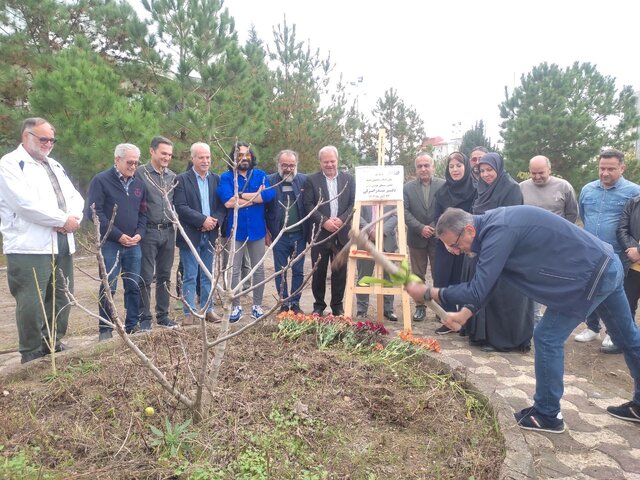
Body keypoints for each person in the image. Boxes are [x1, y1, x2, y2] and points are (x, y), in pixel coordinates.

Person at [406, 205, 640, 433]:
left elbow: (477, 289)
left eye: (455, 245)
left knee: (547, 337)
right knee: (627, 336)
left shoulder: (499, 232)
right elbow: (487, 283)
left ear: (469, 230)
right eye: (449, 248)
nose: (455, 252)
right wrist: (465, 313)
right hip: (606, 264)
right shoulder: (491, 229)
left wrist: (429, 292)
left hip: (590, 276)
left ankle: (547, 414)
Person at [0, 117, 84, 363]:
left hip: (61, 241)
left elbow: (75, 196)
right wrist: (61, 220)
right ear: (26, 137)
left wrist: (74, 218)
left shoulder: (55, 165)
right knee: (32, 299)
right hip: (29, 246)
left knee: (61, 295)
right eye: (43, 139)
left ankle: (53, 341)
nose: (49, 144)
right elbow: (24, 204)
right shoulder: (10, 164)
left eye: (52, 140)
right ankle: (32, 350)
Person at [465, 152, 534, 352]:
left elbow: (510, 221)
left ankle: (503, 339)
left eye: (490, 170)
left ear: (499, 168)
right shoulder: (481, 188)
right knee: (484, 288)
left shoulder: (510, 188)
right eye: (482, 171)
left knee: (502, 294)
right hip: (482, 245)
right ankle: (482, 335)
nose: (486, 175)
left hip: (504, 247)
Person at [575, 149, 640, 353]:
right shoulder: (588, 189)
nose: (605, 173)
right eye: (602, 168)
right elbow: (583, 215)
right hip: (592, 252)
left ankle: (614, 332)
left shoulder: (633, 191)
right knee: (590, 289)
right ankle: (592, 327)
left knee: (617, 294)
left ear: (622, 168)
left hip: (619, 254)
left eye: (611, 169)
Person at [87, 144, 147, 341]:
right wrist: (117, 235)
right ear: (117, 159)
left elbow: (143, 213)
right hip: (110, 243)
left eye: (136, 163)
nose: (133, 166)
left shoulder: (139, 184)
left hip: (134, 244)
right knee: (108, 285)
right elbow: (94, 212)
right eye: (130, 162)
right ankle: (106, 329)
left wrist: (139, 233)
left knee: (133, 285)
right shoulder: (101, 180)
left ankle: (132, 325)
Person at [217, 142, 275, 322]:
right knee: (233, 270)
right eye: (239, 155)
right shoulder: (226, 177)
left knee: (257, 269)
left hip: (257, 229)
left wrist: (240, 196)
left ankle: (257, 305)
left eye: (246, 155)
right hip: (235, 230)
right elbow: (228, 202)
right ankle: (236, 306)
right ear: (233, 158)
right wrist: (254, 198)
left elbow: (267, 196)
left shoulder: (261, 175)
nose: (243, 158)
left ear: (251, 157)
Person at [520, 155, 578, 324]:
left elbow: (572, 214)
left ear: (550, 170)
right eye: (533, 173)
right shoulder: (521, 188)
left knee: (555, 285)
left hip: (556, 246)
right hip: (530, 246)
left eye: (541, 173)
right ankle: (535, 320)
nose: (537, 177)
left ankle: (554, 320)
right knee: (533, 284)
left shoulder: (564, 186)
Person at [173, 142, 226, 325]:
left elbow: (222, 206)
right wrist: (202, 220)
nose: (205, 161)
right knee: (190, 274)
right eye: (201, 157)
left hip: (210, 235)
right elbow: (181, 207)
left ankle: (208, 309)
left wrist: (214, 221)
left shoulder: (216, 179)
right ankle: (189, 313)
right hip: (191, 234)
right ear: (193, 158)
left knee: (207, 275)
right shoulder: (181, 179)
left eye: (208, 157)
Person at [303, 145, 356, 316]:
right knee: (318, 270)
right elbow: (308, 205)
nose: (329, 165)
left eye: (332, 161)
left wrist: (342, 219)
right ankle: (318, 306)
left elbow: (353, 203)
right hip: (321, 233)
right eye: (326, 162)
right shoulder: (311, 180)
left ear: (337, 160)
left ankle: (337, 306)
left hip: (342, 232)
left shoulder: (349, 179)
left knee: (340, 272)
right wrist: (324, 221)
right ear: (320, 162)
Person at [432, 152, 476, 334]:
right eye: (451, 167)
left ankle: (465, 320)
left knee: (464, 280)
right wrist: (447, 243)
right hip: (445, 246)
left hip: (467, 245)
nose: (455, 170)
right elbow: (436, 220)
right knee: (444, 280)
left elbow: (475, 217)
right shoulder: (441, 192)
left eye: (459, 166)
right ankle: (448, 321)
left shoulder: (474, 190)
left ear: (465, 167)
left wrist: (463, 243)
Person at [137, 136, 177, 330]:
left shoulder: (172, 177)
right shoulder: (140, 174)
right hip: (148, 232)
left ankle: (163, 315)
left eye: (169, 154)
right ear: (152, 151)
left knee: (164, 275)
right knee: (144, 276)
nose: (167, 157)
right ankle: (144, 317)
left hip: (169, 231)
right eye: (163, 153)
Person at [265, 149, 308, 314]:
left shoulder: (304, 181)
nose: (288, 168)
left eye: (291, 165)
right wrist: (266, 230)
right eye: (285, 165)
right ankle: (283, 303)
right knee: (280, 271)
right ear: (279, 165)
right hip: (279, 236)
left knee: (298, 271)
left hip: (299, 234)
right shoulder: (269, 181)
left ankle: (295, 303)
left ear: (296, 165)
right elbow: (263, 208)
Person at [403, 153, 445, 322]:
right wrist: (420, 228)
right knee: (418, 275)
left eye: (426, 165)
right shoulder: (407, 188)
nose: (423, 169)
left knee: (439, 274)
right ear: (416, 169)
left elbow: (446, 208)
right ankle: (420, 307)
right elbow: (404, 211)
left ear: (432, 167)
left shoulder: (443, 185)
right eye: (420, 166)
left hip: (439, 238)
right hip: (416, 237)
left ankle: (439, 307)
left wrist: (434, 227)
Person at [356, 205, 398, 321]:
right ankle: (362, 310)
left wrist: (381, 231)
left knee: (388, 277)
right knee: (364, 277)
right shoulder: (362, 189)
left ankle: (388, 310)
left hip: (387, 239)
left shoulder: (390, 189)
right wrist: (370, 230)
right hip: (365, 240)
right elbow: (355, 213)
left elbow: (396, 213)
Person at [617, 196, 640, 323]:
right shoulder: (634, 203)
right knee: (626, 308)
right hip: (633, 266)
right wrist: (633, 252)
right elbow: (622, 229)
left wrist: (639, 251)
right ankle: (628, 342)